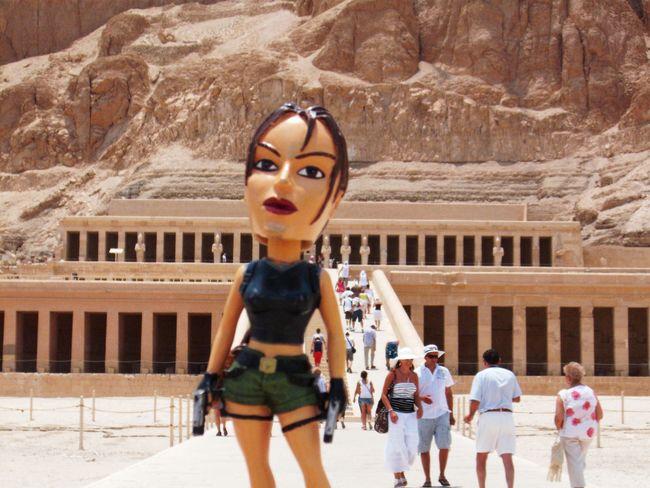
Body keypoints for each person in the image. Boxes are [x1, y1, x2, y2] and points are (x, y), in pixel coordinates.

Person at [196, 104, 349, 488]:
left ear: (335, 198)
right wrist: (209, 378)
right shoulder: (247, 273)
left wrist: (338, 383)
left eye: (311, 172)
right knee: (257, 472)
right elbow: (226, 330)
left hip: (294, 377)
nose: (282, 183)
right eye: (266, 164)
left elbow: (336, 334)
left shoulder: (316, 277)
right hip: (247, 375)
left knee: (314, 472)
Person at [464, 349, 522, 488]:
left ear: (484, 362)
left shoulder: (481, 375)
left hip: (489, 416)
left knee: (482, 455)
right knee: (507, 456)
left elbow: (475, 400)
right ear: (499, 360)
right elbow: (517, 398)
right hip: (507, 417)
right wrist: (503, 397)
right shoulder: (509, 374)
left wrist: (470, 415)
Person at [554, 361, 603, 488]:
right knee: (579, 460)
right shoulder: (591, 392)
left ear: (568, 378)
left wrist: (559, 429)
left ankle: (578, 486)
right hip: (588, 433)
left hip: (570, 433)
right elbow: (600, 414)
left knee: (574, 463)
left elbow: (559, 417)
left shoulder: (563, 394)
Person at [382, 347, 423, 488]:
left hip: (410, 414)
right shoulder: (392, 374)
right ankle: (397, 476)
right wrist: (391, 411)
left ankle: (402, 470)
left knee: (412, 445)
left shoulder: (414, 376)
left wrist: (420, 407)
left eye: (410, 359)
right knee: (397, 445)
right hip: (396, 414)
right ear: (400, 361)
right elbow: (383, 395)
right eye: (406, 359)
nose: (409, 361)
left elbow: (416, 395)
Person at [416, 345, 455, 487]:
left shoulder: (444, 371)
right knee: (424, 448)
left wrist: (451, 413)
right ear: (425, 357)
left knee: (445, 445)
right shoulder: (417, 373)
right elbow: (412, 394)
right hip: (423, 415)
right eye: (431, 356)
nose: (434, 359)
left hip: (442, 413)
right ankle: (427, 479)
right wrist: (421, 398)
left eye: (436, 356)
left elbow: (448, 392)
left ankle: (442, 475)